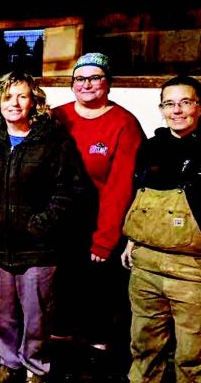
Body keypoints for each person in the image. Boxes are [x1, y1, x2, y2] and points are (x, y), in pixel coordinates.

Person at [120, 75, 201, 383]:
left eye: (185, 102)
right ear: (161, 109)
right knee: (144, 340)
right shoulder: (151, 148)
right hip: (146, 266)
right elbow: (139, 196)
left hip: (195, 270)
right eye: (169, 104)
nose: (177, 110)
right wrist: (132, 241)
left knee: (194, 350)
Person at [0, 72, 89, 383]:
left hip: (38, 246)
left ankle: (36, 370)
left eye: (22, 96)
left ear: (34, 102)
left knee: (37, 313)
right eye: (8, 96)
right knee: (1, 312)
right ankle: (8, 363)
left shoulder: (52, 139)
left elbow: (71, 189)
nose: (14, 103)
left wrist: (41, 224)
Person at [53, 52, 144, 351]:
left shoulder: (124, 124)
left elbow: (120, 187)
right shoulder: (57, 117)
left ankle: (96, 355)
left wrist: (105, 239)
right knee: (60, 294)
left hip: (99, 221)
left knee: (96, 294)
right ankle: (59, 347)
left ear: (108, 83)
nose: (87, 84)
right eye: (80, 78)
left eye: (95, 78)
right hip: (59, 218)